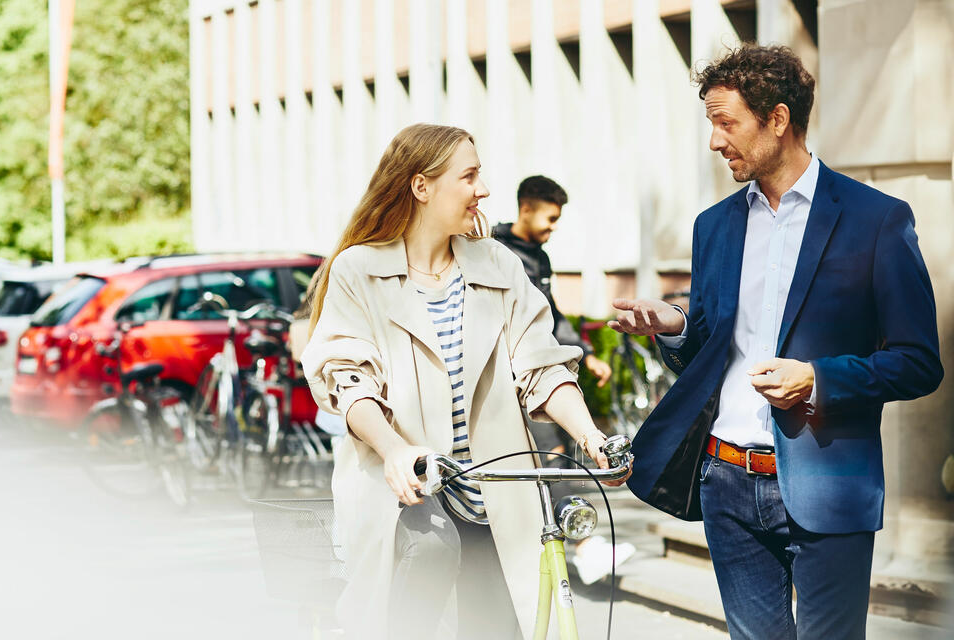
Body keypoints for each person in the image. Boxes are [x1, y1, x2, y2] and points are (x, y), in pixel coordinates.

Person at [610, 45, 942, 639]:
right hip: (725, 482)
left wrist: (817, 378)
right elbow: (713, 345)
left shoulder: (877, 220)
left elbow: (918, 362)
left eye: (726, 123)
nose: (714, 141)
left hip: (827, 485)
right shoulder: (714, 225)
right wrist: (675, 325)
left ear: (778, 119)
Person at [301, 123, 628, 640]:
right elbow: (349, 381)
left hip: (495, 499)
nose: (484, 189)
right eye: (469, 176)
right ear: (421, 186)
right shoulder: (359, 270)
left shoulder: (497, 264)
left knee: (502, 627)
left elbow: (541, 365)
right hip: (411, 498)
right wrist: (394, 450)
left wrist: (592, 437)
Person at [493, 175, 631, 585]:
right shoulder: (496, 252)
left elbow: (550, 315)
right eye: (550, 219)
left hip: (542, 374)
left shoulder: (540, 257)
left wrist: (585, 353)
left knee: (551, 461)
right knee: (549, 461)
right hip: (513, 380)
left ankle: (577, 547)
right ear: (526, 209)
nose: (553, 228)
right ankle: (584, 548)